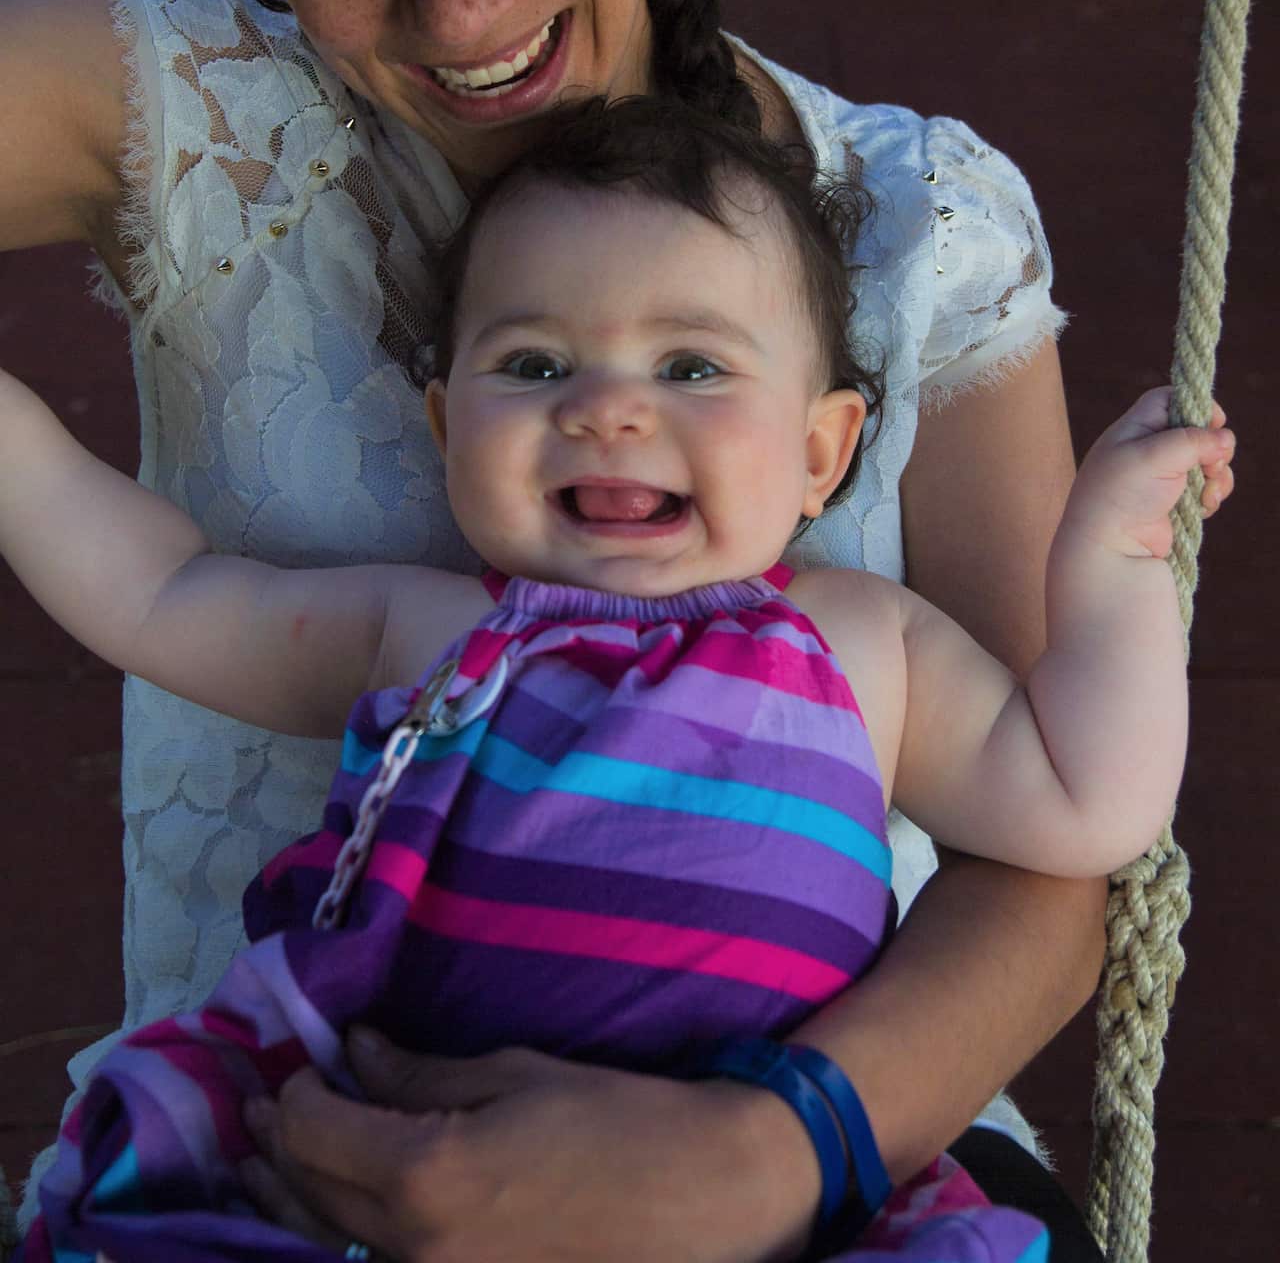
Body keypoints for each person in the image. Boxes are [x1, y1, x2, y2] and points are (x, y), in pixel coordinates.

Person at [0, 0, 1228, 1262]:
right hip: (310, 1137)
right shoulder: (195, 96)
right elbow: (168, 591)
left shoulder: (920, 226)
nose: (459, 8)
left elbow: (1051, 859)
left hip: (832, 1126)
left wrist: (754, 1159)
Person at [2, 97, 1233, 1263]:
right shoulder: (420, 633)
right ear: (446, 430)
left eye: (690, 367)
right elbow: (156, 594)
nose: (604, 409)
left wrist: (1110, 562)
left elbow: (1089, 802)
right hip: (388, 1163)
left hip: (768, 1208)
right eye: (534, 365)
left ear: (820, 452)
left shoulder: (863, 645)